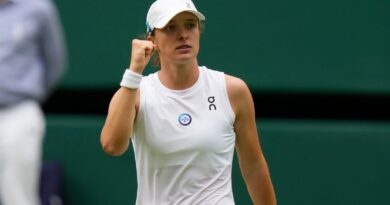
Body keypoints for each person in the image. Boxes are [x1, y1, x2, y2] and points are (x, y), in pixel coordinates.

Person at [100, 0, 276, 204]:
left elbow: (254, 166)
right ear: (152, 40)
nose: (183, 34)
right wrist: (134, 73)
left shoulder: (233, 91)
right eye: (170, 27)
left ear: (199, 32)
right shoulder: (135, 93)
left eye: (190, 25)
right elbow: (112, 146)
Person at [0, 0, 66, 204]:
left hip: (18, 111)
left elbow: (56, 62)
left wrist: (29, 94)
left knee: (18, 196)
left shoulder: (39, 9)